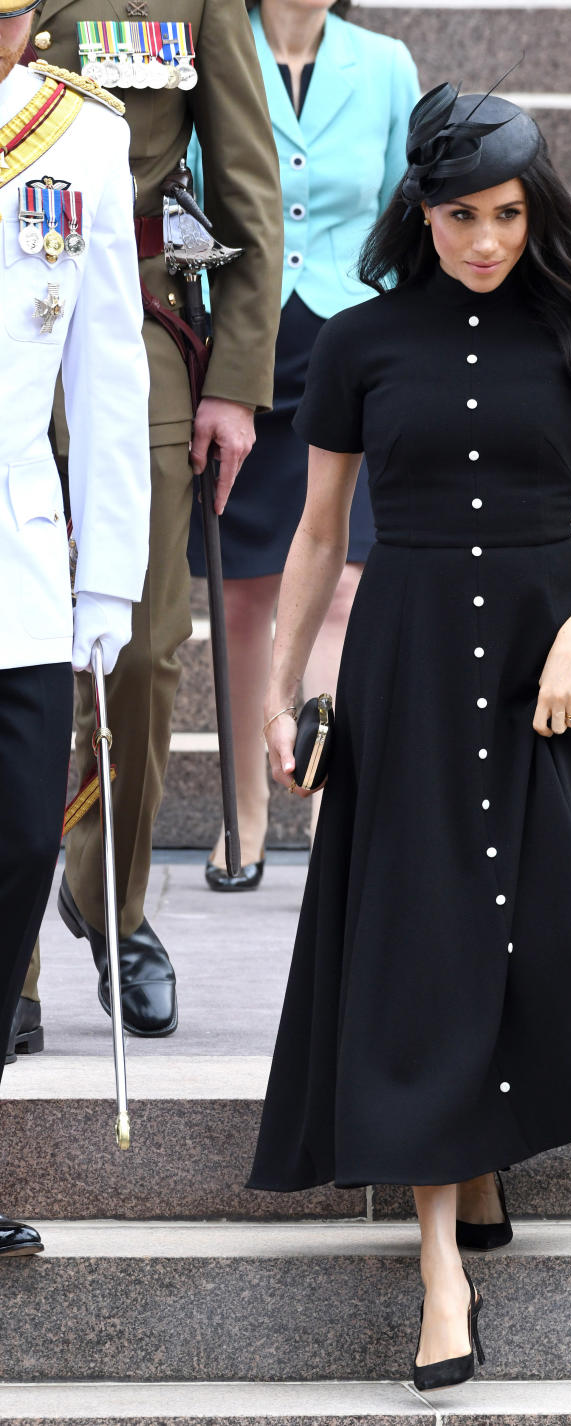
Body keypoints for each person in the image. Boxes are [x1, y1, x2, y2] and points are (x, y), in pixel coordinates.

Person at [250, 82, 571, 1389]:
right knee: (425, 936)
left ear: (535, 208)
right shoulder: (357, 344)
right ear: (422, 213)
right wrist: (285, 696)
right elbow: (321, 536)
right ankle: (441, 1269)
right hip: (400, 666)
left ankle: (491, 1150)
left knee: (526, 921)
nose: (488, 240)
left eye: (508, 213)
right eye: (461, 217)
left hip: (547, 663)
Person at [10, 0, 283, 1054]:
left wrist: (237, 382)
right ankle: (11, 963)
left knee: (143, 653)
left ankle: (110, 902)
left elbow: (249, 185)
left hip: (135, 335)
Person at [187, 0, 419, 890]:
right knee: (244, 594)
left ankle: (330, 807)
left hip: (350, 342)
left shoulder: (385, 63)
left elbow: (409, 207)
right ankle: (242, 814)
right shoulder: (217, 41)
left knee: (343, 590)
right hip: (243, 342)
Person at [0, 0, 150, 1251]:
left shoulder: (80, 138)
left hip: (19, 567)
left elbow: (108, 370)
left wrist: (111, 578)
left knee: (10, 860)